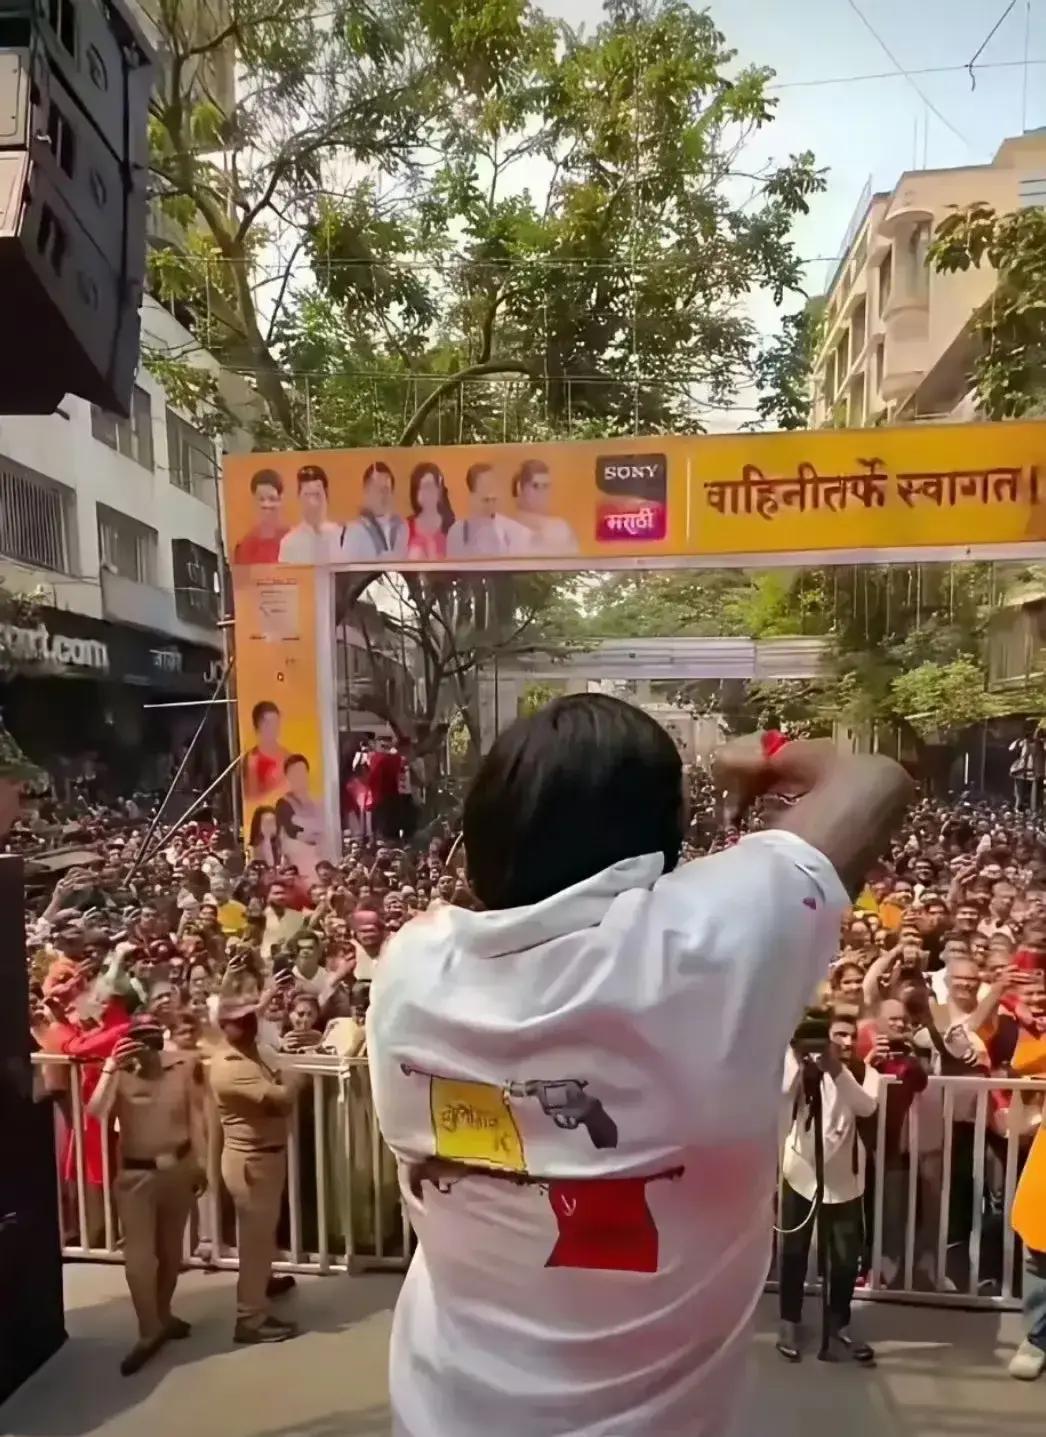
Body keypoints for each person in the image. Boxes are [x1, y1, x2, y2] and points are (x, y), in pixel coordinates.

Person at [367, 695, 912, 1437]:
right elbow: (874, 779)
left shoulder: (408, 971)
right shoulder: (709, 945)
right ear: (668, 834)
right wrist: (766, 756)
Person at [87, 1015, 206, 1374]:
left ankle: (162, 1315)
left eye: (152, 1041)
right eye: (138, 1040)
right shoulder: (120, 1073)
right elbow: (96, 1111)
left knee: (171, 1251)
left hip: (179, 1166)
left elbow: (195, 1117)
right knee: (139, 1257)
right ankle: (148, 1327)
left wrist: (200, 1163)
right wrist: (111, 1066)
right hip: (136, 1174)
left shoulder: (181, 1068)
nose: (146, 1049)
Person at [777, 1009, 879, 1364]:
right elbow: (782, 1092)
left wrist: (835, 1069)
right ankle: (789, 1321)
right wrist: (797, 1054)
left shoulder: (865, 1073)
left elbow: (866, 1107)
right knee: (794, 1251)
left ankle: (839, 1325)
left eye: (852, 1036)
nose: (847, 1042)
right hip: (801, 1173)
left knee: (845, 1259)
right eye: (839, 1035)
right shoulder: (802, 1069)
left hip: (845, 1180)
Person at [207, 997, 304, 1343]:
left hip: (264, 1158)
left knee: (262, 1235)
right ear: (223, 1026)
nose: (247, 1025)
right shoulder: (231, 1066)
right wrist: (295, 1076)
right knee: (255, 1242)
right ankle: (250, 1318)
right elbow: (283, 1098)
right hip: (251, 1161)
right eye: (238, 1021)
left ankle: (261, 1285)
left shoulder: (253, 1053)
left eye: (250, 1018)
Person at [445, 462, 532, 560]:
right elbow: (454, 566)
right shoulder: (458, 532)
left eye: (493, 486)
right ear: (472, 495)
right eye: (485, 486)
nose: (490, 493)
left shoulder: (513, 531)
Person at [339, 460, 409, 562]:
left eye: (386, 489)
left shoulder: (402, 528)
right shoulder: (354, 532)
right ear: (366, 491)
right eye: (376, 489)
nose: (382, 495)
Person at [512, 459, 579, 556]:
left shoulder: (562, 528)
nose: (542, 492)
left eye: (546, 486)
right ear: (520, 489)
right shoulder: (508, 531)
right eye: (535, 486)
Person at [275, 754, 326, 877]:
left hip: (321, 862)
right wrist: (315, 831)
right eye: (294, 773)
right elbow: (294, 831)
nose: (299, 777)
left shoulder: (319, 801)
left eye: (302, 772)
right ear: (287, 776)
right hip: (297, 864)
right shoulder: (284, 803)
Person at [278, 465, 342, 564]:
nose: (312, 503)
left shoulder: (342, 538)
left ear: (326, 496)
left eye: (317, 495)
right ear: (299, 497)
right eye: (307, 495)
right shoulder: (289, 542)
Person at [233, 469, 289, 564]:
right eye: (261, 499)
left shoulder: (294, 540)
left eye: (272, 499)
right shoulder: (245, 546)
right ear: (254, 500)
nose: (266, 504)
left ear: (280, 500)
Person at [405, 461, 455, 560]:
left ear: (439, 490)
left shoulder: (452, 529)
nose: (424, 493)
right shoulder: (405, 528)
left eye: (428, 486)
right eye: (420, 487)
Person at [244, 701, 289, 800]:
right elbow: (251, 800)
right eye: (268, 723)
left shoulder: (286, 755)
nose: (274, 727)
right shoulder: (252, 760)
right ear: (257, 726)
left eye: (276, 722)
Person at [259, 881, 305, 960]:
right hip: (265, 960)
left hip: (291, 960)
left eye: (283, 893)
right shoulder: (260, 917)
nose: (280, 897)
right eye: (276, 893)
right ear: (268, 896)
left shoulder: (297, 917)